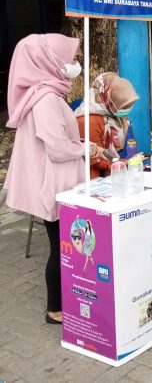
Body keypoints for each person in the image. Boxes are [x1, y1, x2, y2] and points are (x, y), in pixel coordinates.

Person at [3, 33, 88, 324]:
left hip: (55, 182)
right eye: (71, 59)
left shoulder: (42, 92)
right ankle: (55, 309)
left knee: (61, 243)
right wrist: (86, 147)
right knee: (60, 247)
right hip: (55, 185)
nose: (74, 64)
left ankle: (62, 303)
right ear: (50, 61)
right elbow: (59, 148)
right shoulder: (46, 99)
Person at [75, 72, 139, 178]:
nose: (127, 111)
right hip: (90, 177)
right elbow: (95, 158)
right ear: (107, 98)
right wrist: (124, 163)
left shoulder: (114, 115)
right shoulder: (89, 121)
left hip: (108, 173)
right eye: (124, 107)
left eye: (130, 106)